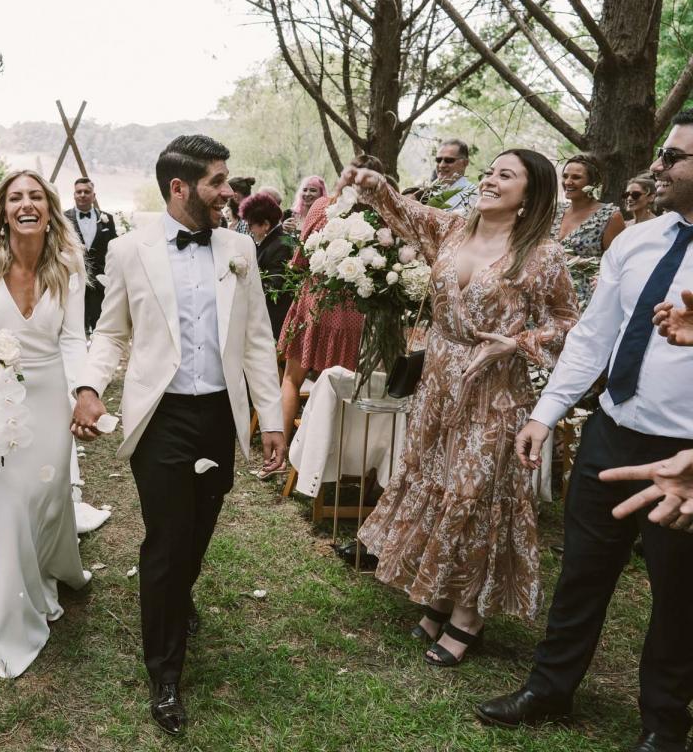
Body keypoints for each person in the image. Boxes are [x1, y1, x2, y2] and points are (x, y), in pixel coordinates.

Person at [477, 113, 693, 752]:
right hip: (612, 431)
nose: (658, 165)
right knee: (582, 570)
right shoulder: (637, 241)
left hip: (684, 459)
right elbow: (594, 336)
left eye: (674, 157)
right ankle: (550, 688)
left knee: (679, 594)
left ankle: (664, 724)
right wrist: (545, 414)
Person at [71, 135, 285, 736]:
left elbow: (258, 341)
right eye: (218, 182)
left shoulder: (240, 248)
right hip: (161, 415)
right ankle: (165, 673)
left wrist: (271, 419)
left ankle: (177, 597)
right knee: (166, 538)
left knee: (200, 525)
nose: (229, 193)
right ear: (180, 187)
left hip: (219, 416)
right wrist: (90, 386)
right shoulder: (130, 250)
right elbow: (112, 332)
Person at [349, 148, 579, 666]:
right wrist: (371, 178)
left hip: (495, 392)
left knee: (474, 496)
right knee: (439, 481)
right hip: (438, 383)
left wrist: (515, 343)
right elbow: (400, 209)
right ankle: (439, 596)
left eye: (506, 175)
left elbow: (571, 326)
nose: (490, 180)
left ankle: (468, 616)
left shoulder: (543, 257)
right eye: (489, 172)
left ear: (530, 194)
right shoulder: (452, 229)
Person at [0, 169, 92, 677]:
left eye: (35, 197)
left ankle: (47, 569)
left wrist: (79, 393)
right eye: (14, 198)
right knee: (8, 499)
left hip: (50, 396)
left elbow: (73, 338)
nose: (25, 205)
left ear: (49, 207)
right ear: (2, 209)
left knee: (46, 496)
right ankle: (6, 607)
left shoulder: (68, 264)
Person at [275, 157, 382, 445]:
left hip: (313, 303)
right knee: (332, 387)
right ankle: (322, 458)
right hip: (353, 311)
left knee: (291, 380)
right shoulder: (377, 214)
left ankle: (281, 452)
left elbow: (299, 261)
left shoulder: (322, 206)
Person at [553, 153, 627, 309]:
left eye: (576, 177)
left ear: (594, 182)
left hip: (583, 300)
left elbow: (615, 267)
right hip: (546, 294)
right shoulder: (555, 211)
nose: (568, 182)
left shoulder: (610, 216)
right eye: (565, 176)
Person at [63, 177, 118, 333]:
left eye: (86, 192)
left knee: (101, 326)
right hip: (73, 281)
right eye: (78, 191)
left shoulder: (107, 219)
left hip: (100, 282)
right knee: (75, 326)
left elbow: (113, 248)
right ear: (73, 195)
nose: (82, 195)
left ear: (94, 195)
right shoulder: (64, 218)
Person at [241, 192, 293, 339]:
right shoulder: (274, 241)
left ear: (265, 225)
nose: (249, 230)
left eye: (251, 225)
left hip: (274, 320)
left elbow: (273, 286)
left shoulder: (280, 245)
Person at [423, 139, 478, 213]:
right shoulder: (429, 192)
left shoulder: (473, 195)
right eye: (438, 160)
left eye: (449, 160)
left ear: (465, 163)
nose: (441, 165)